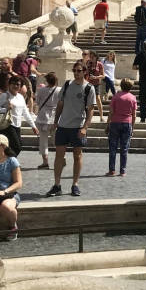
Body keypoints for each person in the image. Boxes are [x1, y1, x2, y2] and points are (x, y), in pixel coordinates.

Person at [47, 62, 96, 197]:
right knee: (58, 156)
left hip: (78, 126)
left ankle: (75, 184)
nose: (76, 73)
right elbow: (60, 104)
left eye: (79, 70)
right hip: (63, 125)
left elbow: (91, 110)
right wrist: (55, 121)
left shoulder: (89, 88)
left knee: (77, 155)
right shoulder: (67, 85)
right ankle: (57, 185)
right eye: (74, 70)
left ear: (84, 71)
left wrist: (85, 127)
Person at [0, 75, 38, 155]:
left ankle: (4, 161)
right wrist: (6, 109)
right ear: (9, 85)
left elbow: (25, 113)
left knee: (16, 146)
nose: (15, 86)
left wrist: (33, 126)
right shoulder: (5, 96)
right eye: (13, 84)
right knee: (17, 147)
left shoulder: (21, 97)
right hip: (7, 125)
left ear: (20, 86)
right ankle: (8, 163)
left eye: (18, 84)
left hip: (17, 125)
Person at [106, 78, 137, 178]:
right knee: (124, 149)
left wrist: (107, 124)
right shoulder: (132, 98)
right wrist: (133, 127)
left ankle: (111, 170)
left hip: (115, 123)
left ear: (121, 86)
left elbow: (111, 112)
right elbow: (134, 115)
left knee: (113, 148)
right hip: (127, 123)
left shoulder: (115, 96)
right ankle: (122, 171)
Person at [34, 72, 60, 170]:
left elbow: (38, 102)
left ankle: (45, 162)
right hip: (55, 117)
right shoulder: (60, 90)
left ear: (47, 80)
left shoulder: (41, 90)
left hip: (43, 117)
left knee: (43, 141)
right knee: (58, 141)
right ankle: (62, 158)